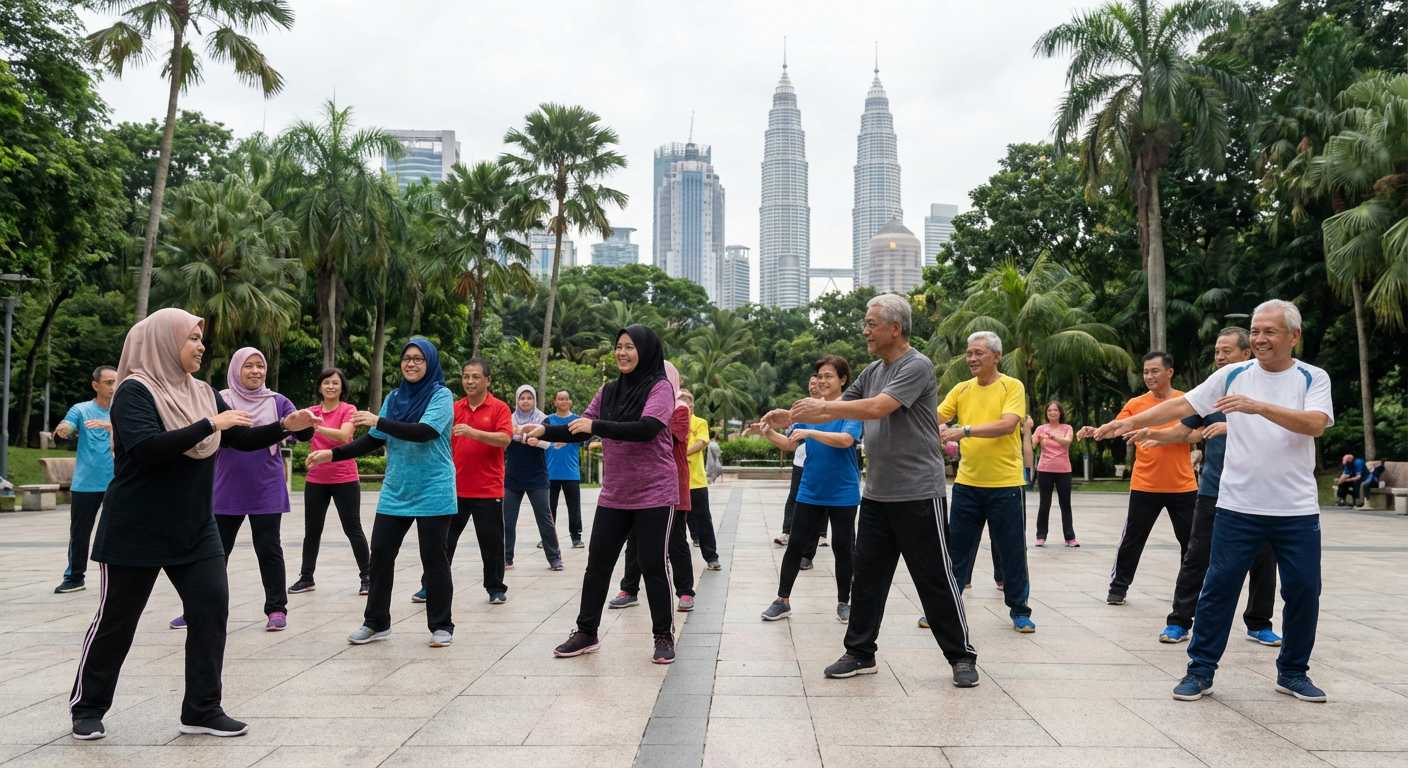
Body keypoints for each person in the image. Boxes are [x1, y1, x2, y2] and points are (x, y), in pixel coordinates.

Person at [69, 309, 320, 741]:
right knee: (117, 621)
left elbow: (239, 438)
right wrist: (209, 424)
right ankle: (87, 707)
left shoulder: (203, 391)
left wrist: (284, 427)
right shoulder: (134, 390)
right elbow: (147, 448)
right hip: (136, 527)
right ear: (165, 342)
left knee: (210, 608)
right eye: (193, 338)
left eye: (202, 338)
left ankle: (202, 708)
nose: (201, 346)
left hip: (194, 527)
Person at [1094, 300, 1334, 703]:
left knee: (1305, 590)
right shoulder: (1232, 374)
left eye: (1269, 331)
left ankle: (1293, 673)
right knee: (1218, 588)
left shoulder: (1313, 377)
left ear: (1293, 336)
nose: (1259, 338)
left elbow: (1315, 424)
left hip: (1295, 509)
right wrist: (1132, 421)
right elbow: (1183, 406)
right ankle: (1200, 671)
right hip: (1238, 506)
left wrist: (1257, 407)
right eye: (1255, 330)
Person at [767, 294, 978, 686]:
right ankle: (861, 652)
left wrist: (822, 410)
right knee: (867, 577)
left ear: (894, 328)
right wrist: (792, 414)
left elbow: (878, 408)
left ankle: (961, 657)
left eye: (871, 324)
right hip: (878, 493)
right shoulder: (871, 370)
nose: (864, 330)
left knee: (934, 577)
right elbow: (841, 405)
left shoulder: (916, 365)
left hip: (918, 492)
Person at [525, 325, 680, 664]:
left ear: (646, 351)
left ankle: (663, 635)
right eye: (618, 347)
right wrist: (543, 429)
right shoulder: (608, 390)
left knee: (653, 565)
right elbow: (579, 426)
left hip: (655, 492)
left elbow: (647, 428)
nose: (622, 353)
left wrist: (596, 427)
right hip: (615, 494)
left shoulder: (661, 387)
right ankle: (586, 632)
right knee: (597, 565)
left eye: (630, 347)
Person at [1129, 327, 1280, 646]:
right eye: (1216, 351)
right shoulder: (1211, 393)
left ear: (1245, 354)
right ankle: (1180, 622)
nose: (1220, 356)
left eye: (1227, 350)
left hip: (1259, 491)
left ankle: (1258, 622)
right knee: (1196, 556)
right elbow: (1183, 430)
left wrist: (1234, 424)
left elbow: (1282, 426)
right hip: (1214, 490)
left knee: (1263, 558)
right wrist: (1153, 433)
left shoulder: (1266, 391)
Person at [307, 338, 458, 648]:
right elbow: (374, 439)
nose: (411, 364)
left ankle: (442, 625)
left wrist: (380, 420)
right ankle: (376, 622)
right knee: (381, 557)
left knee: (434, 559)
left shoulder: (441, 395)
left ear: (429, 362)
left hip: (434, 488)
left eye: (418, 359)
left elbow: (425, 432)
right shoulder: (394, 396)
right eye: (406, 359)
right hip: (396, 490)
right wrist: (333, 455)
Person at [198, 347, 311, 632]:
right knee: (215, 552)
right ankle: (197, 609)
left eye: (260, 365)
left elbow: (302, 432)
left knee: (269, 549)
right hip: (226, 487)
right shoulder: (221, 399)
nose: (255, 371)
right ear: (236, 369)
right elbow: (214, 438)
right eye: (248, 366)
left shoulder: (278, 401)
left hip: (267, 487)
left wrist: (306, 422)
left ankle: (276, 609)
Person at [1077, 351, 1196, 606]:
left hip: (1183, 485)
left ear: (1169, 372)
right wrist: (1096, 431)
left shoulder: (1185, 401)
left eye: (1154, 371)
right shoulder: (1136, 403)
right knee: (1132, 540)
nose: (1149, 376)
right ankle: (1118, 588)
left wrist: (1165, 436)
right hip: (1145, 485)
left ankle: (1190, 594)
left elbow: (1198, 435)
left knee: (1191, 543)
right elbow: (1118, 426)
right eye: (1145, 372)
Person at [936, 331, 1035, 633]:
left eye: (978, 353)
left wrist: (961, 431)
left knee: (1011, 550)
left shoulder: (1011, 386)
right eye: (968, 353)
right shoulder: (962, 389)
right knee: (957, 550)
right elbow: (934, 415)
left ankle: (1019, 609)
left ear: (995, 356)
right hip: (967, 484)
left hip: (1006, 485)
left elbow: (1007, 425)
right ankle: (945, 607)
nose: (972, 359)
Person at [755, 355, 861, 624]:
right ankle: (782, 600)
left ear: (842, 380)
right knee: (796, 546)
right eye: (820, 376)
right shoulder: (807, 411)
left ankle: (844, 602)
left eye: (829, 376)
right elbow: (791, 443)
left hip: (843, 490)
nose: (822, 381)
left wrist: (811, 433)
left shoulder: (852, 407)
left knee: (842, 547)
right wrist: (767, 432)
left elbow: (846, 440)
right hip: (811, 488)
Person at [413, 357, 511, 605]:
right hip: (452, 487)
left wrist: (471, 432)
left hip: (488, 488)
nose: (469, 381)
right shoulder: (454, 407)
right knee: (442, 542)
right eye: (466, 376)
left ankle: (495, 588)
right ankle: (429, 586)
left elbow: (504, 439)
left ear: (488, 380)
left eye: (476, 376)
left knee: (492, 543)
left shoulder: (499, 408)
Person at [611, 362, 697, 611]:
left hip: (671, 483)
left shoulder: (680, 408)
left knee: (676, 540)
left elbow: (656, 437)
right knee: (635, 539)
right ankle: (629, 589)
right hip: (641, 482)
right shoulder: (640, 403)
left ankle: (685, 592)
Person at [289, 368, 369, 596]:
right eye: (326, 382)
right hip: (316, 478)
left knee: (352, 527)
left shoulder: (348, 410)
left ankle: (367, 575)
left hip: (344, 477)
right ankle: (306, 578)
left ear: (342, 387)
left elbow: (344, 436)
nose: (331, 386)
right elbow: (293, 429)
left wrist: (315, 425)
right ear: (319, 387)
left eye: (335, 383)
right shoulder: (311, 411)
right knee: (311, 531)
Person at [53, 365, 118, 594]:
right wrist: (64, 428)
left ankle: (122, 577)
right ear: (96, 385)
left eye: (116, 382)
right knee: (80, 533)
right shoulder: (81, 409)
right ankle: (74, 577)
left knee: (120, 532)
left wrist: (111, 425)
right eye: (109, 382)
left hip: (118, 483)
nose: (113, 387)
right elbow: (69, 424)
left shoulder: (124, 409)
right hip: (86, 484)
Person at [505, 385, 562, 570]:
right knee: (507, 519)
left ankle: (555, 558)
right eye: (522, 398)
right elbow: (503, 441)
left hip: (537, 477)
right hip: (512, 477)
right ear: (517, 400)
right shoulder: (509, 419)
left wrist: (537, 441)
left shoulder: (542, 419)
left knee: (545, 518)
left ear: (534, 400)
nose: (526, 401)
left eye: (529, 398)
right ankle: (506, 558)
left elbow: (549, 443)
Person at [682, 390, 721, 571]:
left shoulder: (699, 423)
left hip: (696, 481)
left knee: (704, 519)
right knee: (674, 524)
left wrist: (678, 454)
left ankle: (711, 557)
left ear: (692, 405)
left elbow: (700, 443)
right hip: (674, 482)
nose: (684, 406)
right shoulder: (669, 422)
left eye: (687, 402)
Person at [1033, 401, 1077, 547]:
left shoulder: (1067, 428)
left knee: (1065, 504)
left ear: (1060, 413)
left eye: (1055, 410)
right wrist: (1027, 432)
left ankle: (1070, 537)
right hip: (1045, 470)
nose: (1052, 413)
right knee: (1044, 504)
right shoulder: (1040, 429)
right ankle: (1041, 536)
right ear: (1046, 413)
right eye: (1050, 410)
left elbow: (1067, 443)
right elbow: (1032, 445)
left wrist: (1053, 437)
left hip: (1063, 471)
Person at [546, 390, 585, 549]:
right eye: (560, 399)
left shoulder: (577, 421)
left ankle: (576, 537)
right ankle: (547, 538)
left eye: (566, 399)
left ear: (570, 402)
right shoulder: (547, 421)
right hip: (550, 472)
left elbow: (584, 441)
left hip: (571, 473)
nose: (563, 401)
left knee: (574, 508)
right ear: (554, 401)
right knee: (548, 509)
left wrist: (566, 441)